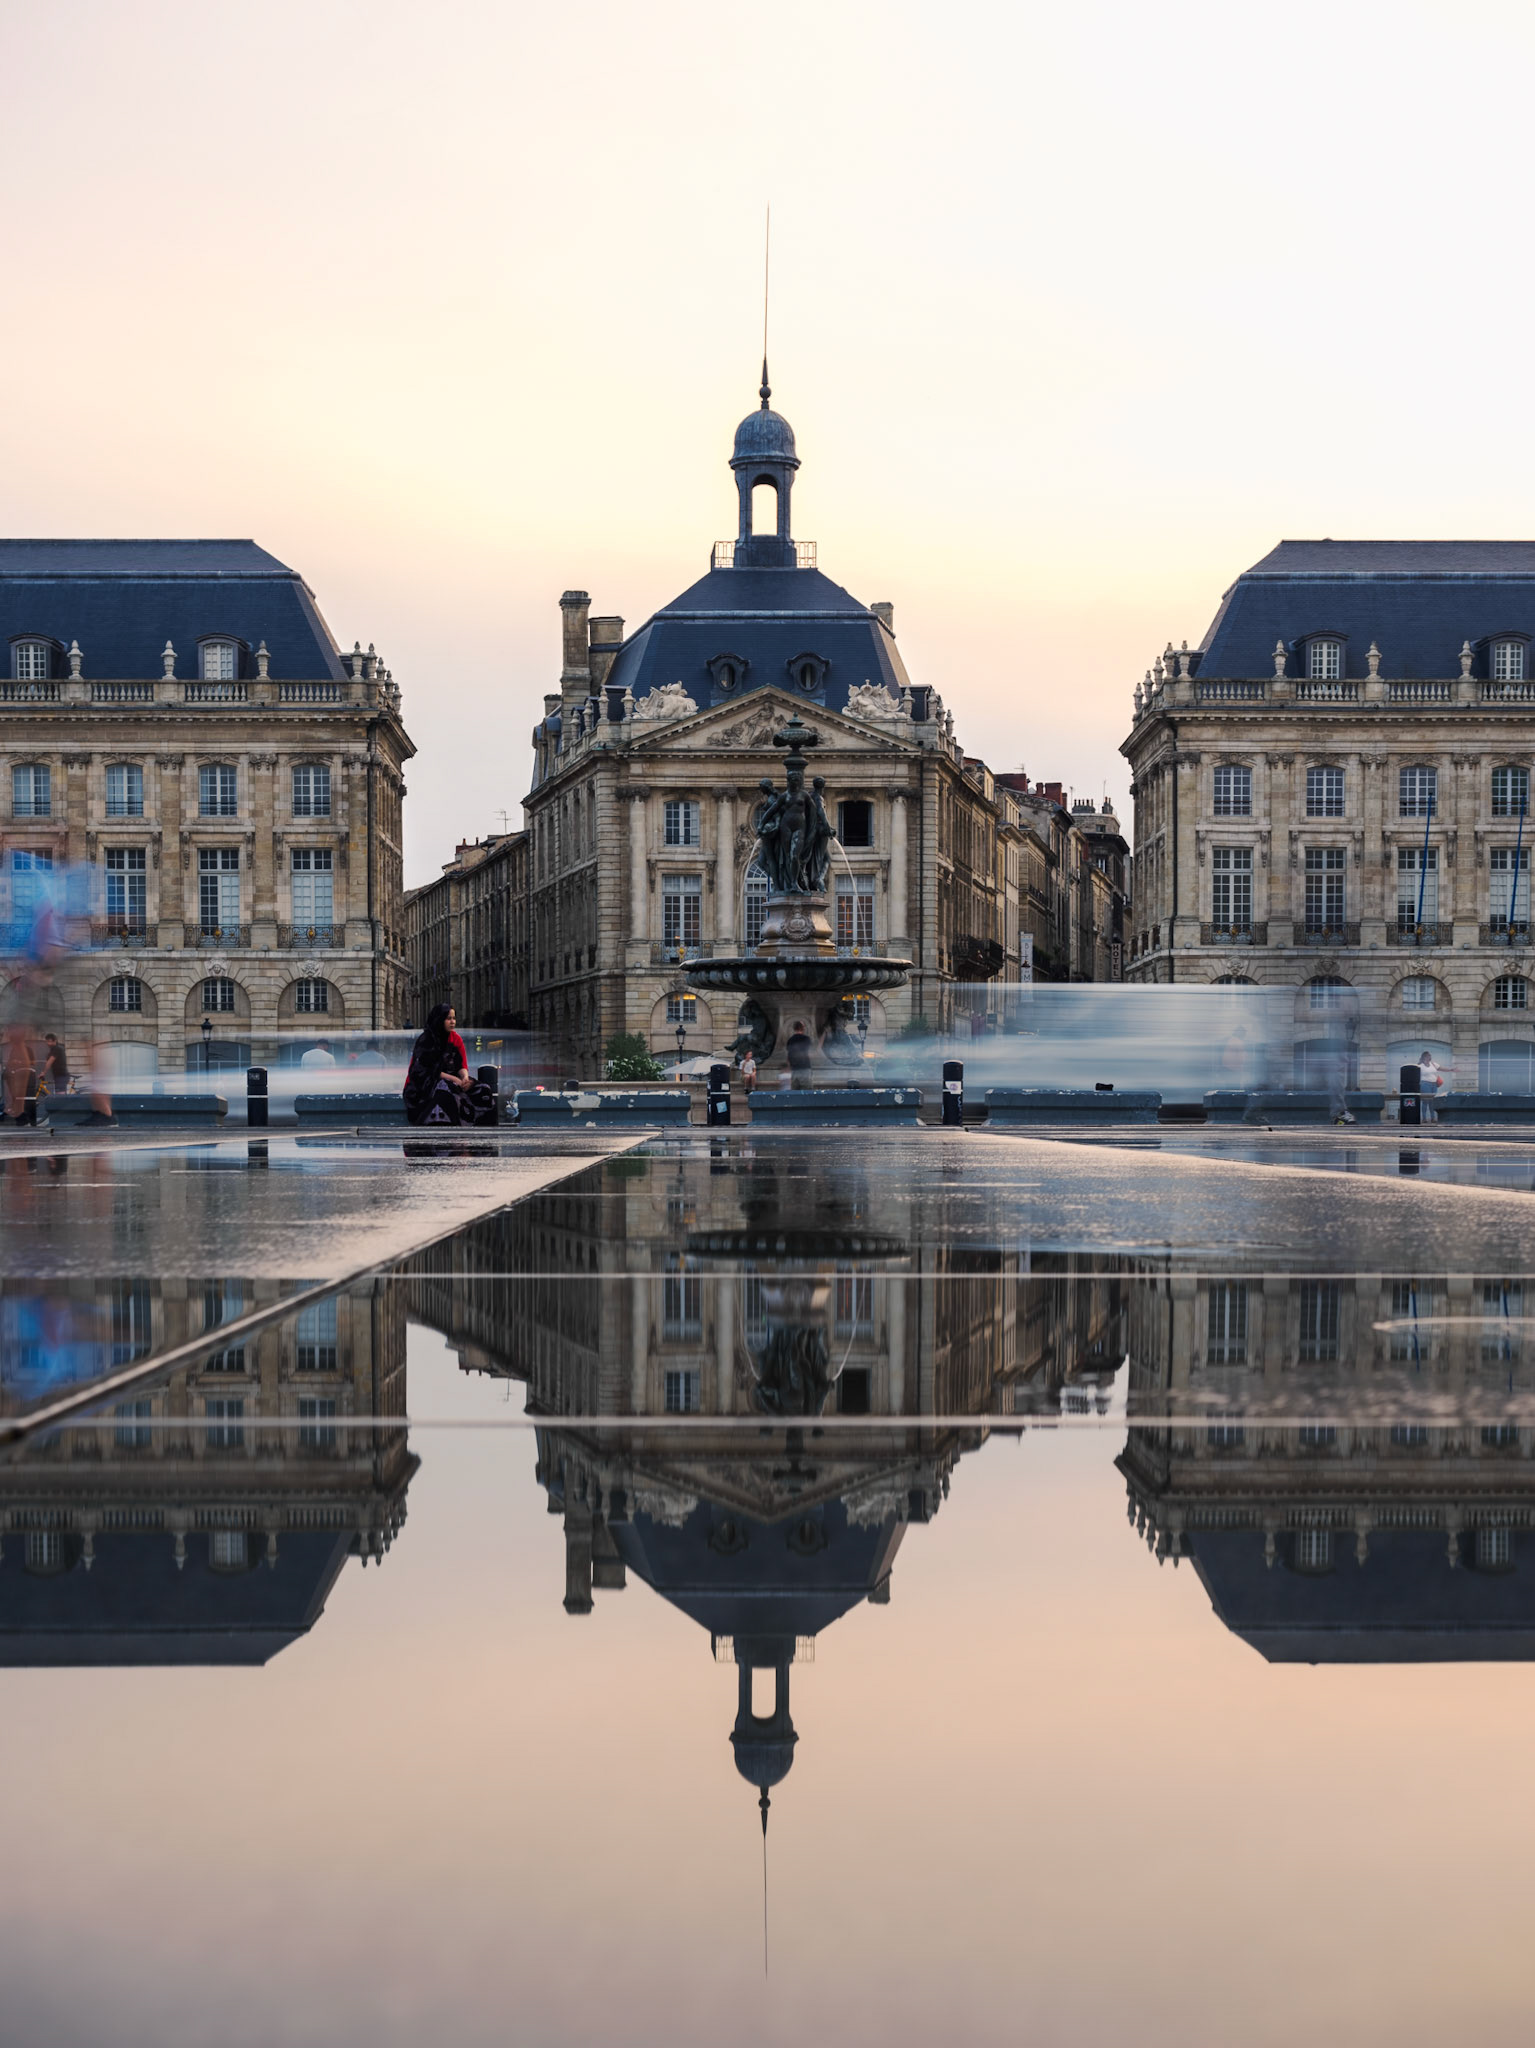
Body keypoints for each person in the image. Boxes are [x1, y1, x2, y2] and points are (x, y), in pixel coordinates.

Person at [402, 1004, 496, 1125]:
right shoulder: (426, 1040)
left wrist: (465, 1078)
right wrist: (454, 1079)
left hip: (453, 1079)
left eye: (454, 1018)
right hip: (425, 1083)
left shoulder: (456, 1038)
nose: (452, 1022)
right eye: (448, 1018)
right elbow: (428, 1070)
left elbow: (461, 1065)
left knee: (483, 1089)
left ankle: (484, 1133)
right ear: (439, 1020)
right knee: (445, 1088)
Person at [785, 1020, 814, 1090]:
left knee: (795, 1094)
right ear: (802, 1028)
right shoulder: (806, 1039)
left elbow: (788, 1057)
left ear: (794, 1028)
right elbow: (809, 1054)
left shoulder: (790, 1040)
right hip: (805, 1070)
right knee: (807, 1093)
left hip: (794, 1071)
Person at [1419, 1048, 1445, 1123]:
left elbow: (1441, 1068)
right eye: (1428, 1055)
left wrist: (1451, 1069)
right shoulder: (1420, 1066)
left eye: (1430, 1055)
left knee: (1432, 1102)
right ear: (1424, 1057)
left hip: (1434, 1084)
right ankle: (1424, 1118)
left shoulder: (1433, 1064)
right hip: (1425, 1084)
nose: (1430, 1057)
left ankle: (1433, 1118)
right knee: (1425, 1101)